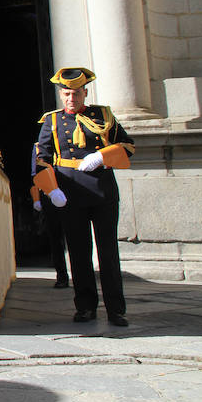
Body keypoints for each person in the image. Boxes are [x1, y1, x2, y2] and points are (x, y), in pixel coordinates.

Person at [35, 67, 133, 327]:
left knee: (108, 252)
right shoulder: (51, 121)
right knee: (79, 253)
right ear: (61, 94)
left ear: (85, 93)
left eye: (76, 93)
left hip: (102, 190)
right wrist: (51, 189)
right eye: (67, 94)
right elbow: (42, 159)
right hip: (70, 193)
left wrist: (102, 156)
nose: (71, 99)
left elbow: (128, 145)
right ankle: (86, 306)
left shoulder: (103, 116)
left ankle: (116, 309)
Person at [30, 143, 69, 289]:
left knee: (76, 236)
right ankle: (62, 275)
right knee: (55, 237)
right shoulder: (39, 147)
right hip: (50, 195)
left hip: (71, 191)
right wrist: (37, 199)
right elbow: (36, 174)